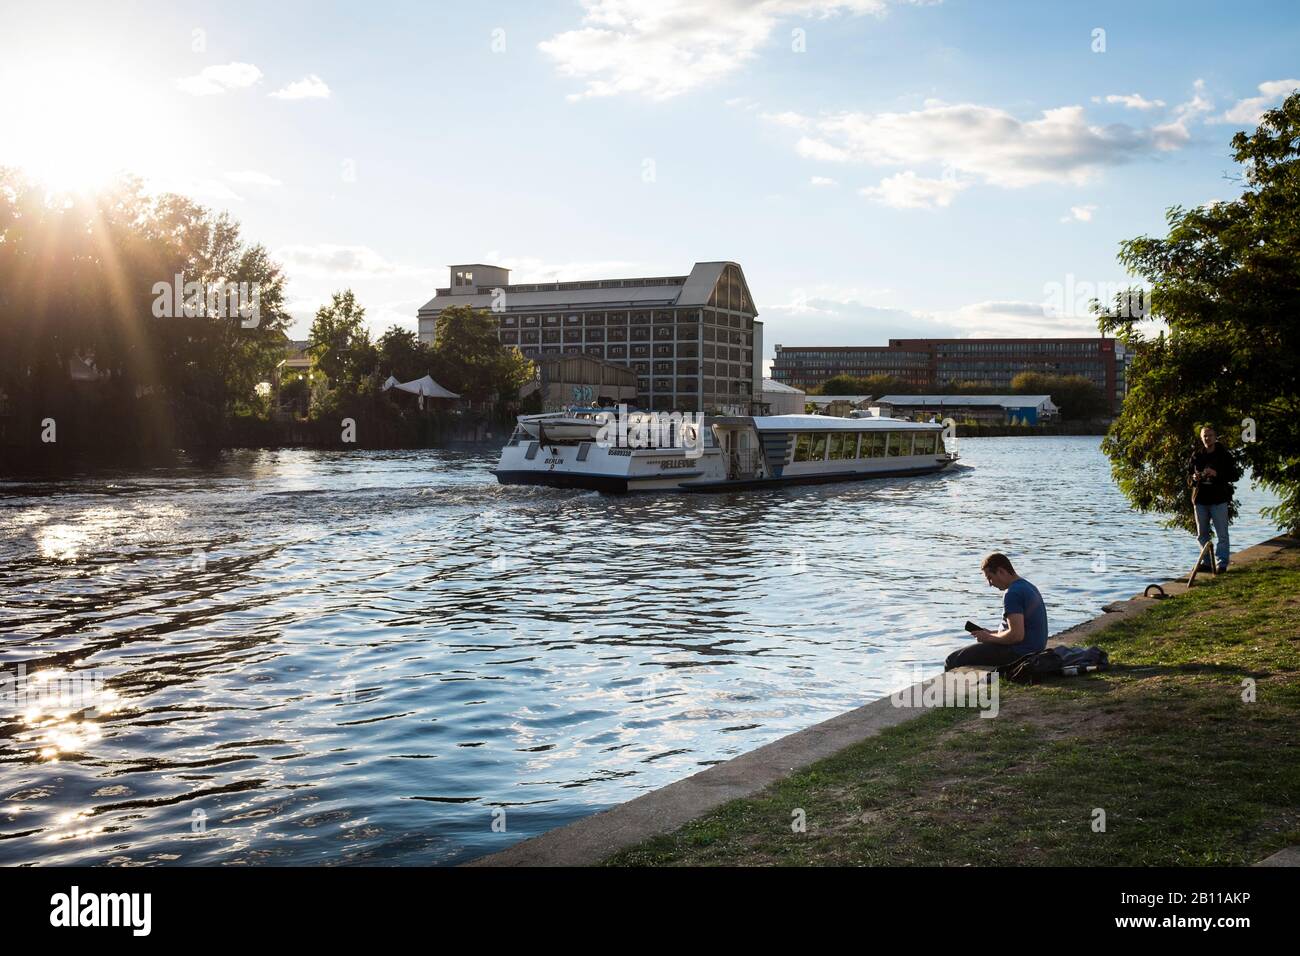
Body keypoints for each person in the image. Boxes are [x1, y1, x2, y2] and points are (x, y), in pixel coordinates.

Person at [945, 552, 1049, 670]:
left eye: (990, 577)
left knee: (952, 660)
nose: (990, 583)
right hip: (1034, 648)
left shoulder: (1012, 593)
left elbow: (1017, 636)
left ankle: (954, 687)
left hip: (1019, 653)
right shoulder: (1028, 586)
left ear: (1001, 571)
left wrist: (988, 638)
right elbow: (1020, 629)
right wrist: (991, 633)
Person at [1187, 425, 1239, 573]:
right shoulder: (1196, 456)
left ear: (1215, 437)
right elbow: (1188, 478)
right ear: (1201, 438)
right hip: (1200, 500)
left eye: (1209, 435)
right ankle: (1207, 563)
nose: (1207, 438)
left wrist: (1216, 474)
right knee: (1201, 534)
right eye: (1204, 436)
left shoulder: (1224, 455)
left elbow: (1234, 476)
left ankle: (1222, 564)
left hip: (1218, 499)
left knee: (1222, 534)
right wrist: (1194, 478)